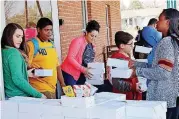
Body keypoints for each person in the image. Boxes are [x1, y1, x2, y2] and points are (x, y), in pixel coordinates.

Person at [130, 8, 179, 119]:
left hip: (164, 98)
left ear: (167, 22)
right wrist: (136, 64)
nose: (156, 22)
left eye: (159, 19)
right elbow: (157, 65)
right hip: (172, 97)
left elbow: (163, 72)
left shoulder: (167, 42)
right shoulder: (173, 40)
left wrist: (137, 71)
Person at [1, 23, 46, 99]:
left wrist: (27, 73)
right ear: (8, 36)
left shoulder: (4, 51)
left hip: (9, 96)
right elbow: (18, 79)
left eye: (22, 37)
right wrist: (39, 95)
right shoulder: (13, 53)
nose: (20, 40)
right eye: (17, 36)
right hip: (19, 97)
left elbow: (10, 73)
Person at [26, 18, 66, 99]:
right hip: (39, 89)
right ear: (38, 30)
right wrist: (37, 71)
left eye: (51, 30)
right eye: (46, 30)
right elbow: (25, 66)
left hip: (53, 88)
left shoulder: (51, 44)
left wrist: (62, 84)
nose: (49, 32)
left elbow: (57, 66)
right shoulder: (31, 44)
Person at [61, 20, 100, 85]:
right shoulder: (77, 41)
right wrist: (83, 69)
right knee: (73, 94)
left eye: (95, 36)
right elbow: (70, 58)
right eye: (92, 35)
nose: (93, 38)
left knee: (82, 93)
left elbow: (89, 60)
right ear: (86, 32)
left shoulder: (92, 44)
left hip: (81, 74)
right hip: (70, 73)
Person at [110, 31, 142, 100]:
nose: (132, 46)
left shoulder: (125, 56)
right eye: (130, 44)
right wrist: (133, 87)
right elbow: (116, 82)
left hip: (131, 94)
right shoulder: (117, 59)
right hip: (125, 97)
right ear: (122, 45)